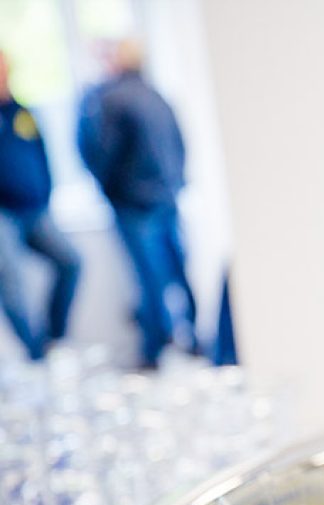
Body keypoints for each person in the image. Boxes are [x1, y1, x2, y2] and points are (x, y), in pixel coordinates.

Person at [78, 38, 197, 368]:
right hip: (165, 195)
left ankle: (153, 350)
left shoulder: (111, 99)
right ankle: (191, 336)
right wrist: (175, 184)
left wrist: (110, 190)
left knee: (149, 277)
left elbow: (103, 153)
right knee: (176, 269)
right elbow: (180, 144)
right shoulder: (156, 95)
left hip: (135, 201)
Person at [0, 50, 81, 359]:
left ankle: (54, 338)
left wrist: (46, 195)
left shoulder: (22, 112)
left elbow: (43, 155)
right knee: (12, 280)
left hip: (35, 209)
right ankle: (35, 353)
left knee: (71, 262)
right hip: (4, 213)